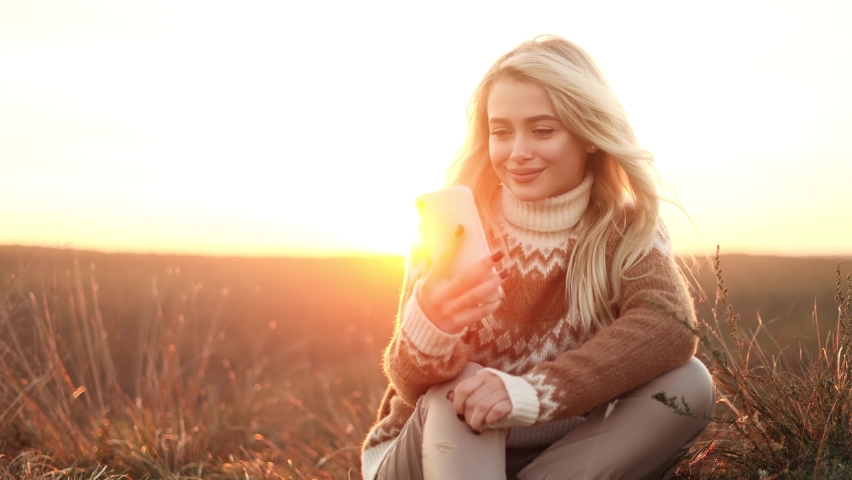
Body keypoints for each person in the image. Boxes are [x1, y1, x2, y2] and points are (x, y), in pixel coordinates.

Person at [361, 35, 715, 480]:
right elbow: (412, 387)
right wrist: (429, 324)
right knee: (461, 389)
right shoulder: (454, 228)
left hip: (557, 454)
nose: (517, 152)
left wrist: (531, 392)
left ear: (589, 134)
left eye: (542, 130)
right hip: (434, 452)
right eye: (501, 132)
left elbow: (668, 325)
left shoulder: (622, 229)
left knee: (690, 384)